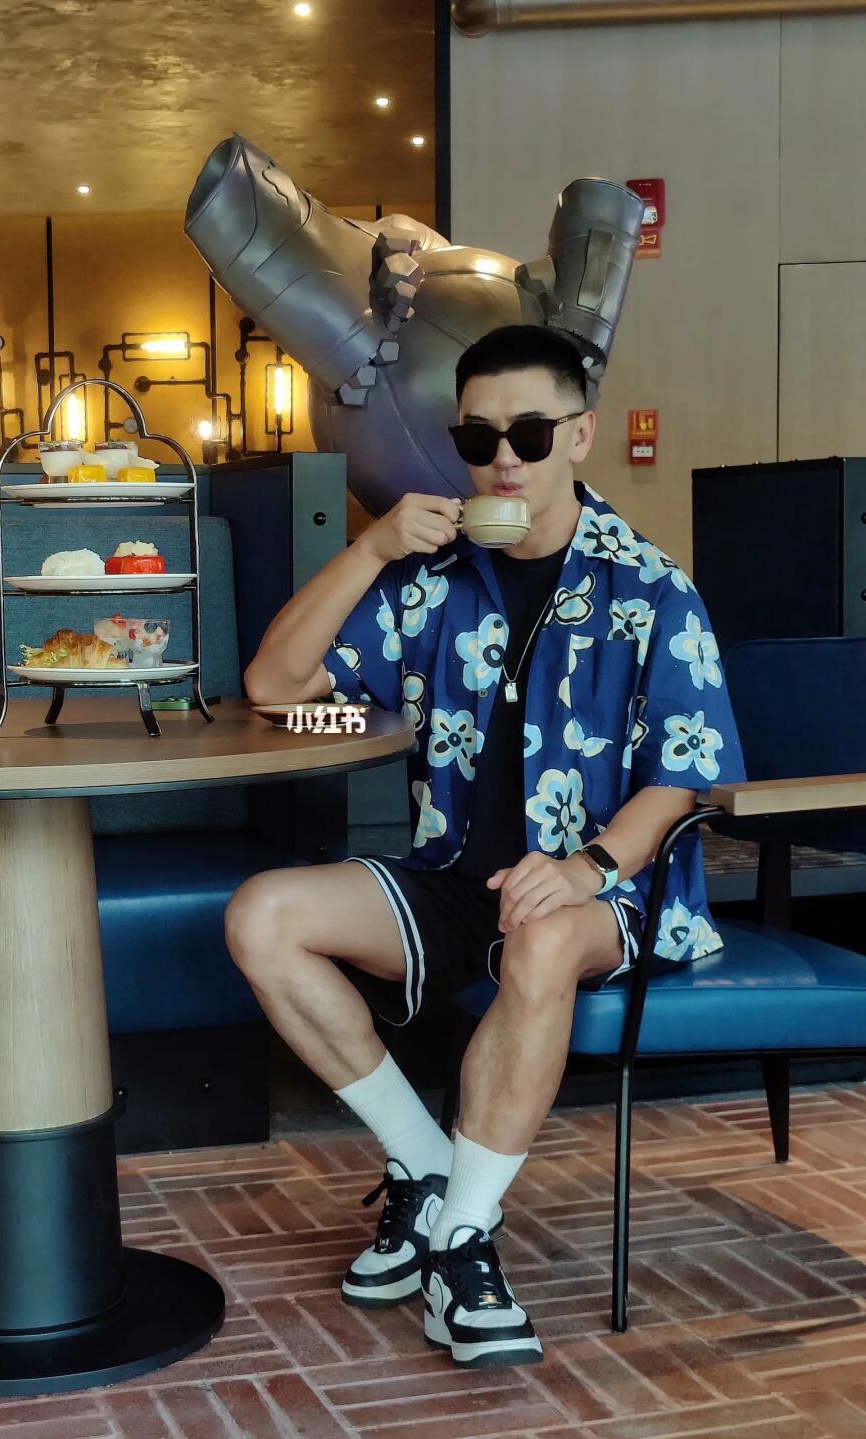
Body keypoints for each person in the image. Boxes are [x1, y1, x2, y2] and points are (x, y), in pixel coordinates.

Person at [225, 324, 745, 1369]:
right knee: (261, 916)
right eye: (478, 436)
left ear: (580, 435)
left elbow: (685, 775)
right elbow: (276, 691)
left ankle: (461, 1240)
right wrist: (372, 547)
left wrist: (587, 868)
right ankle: (425, 1165)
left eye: (531, 432)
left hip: (607, 893)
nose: (504, 458)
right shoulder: (430, 580)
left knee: (545, 938)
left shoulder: (650, 586)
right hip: (452, 875)